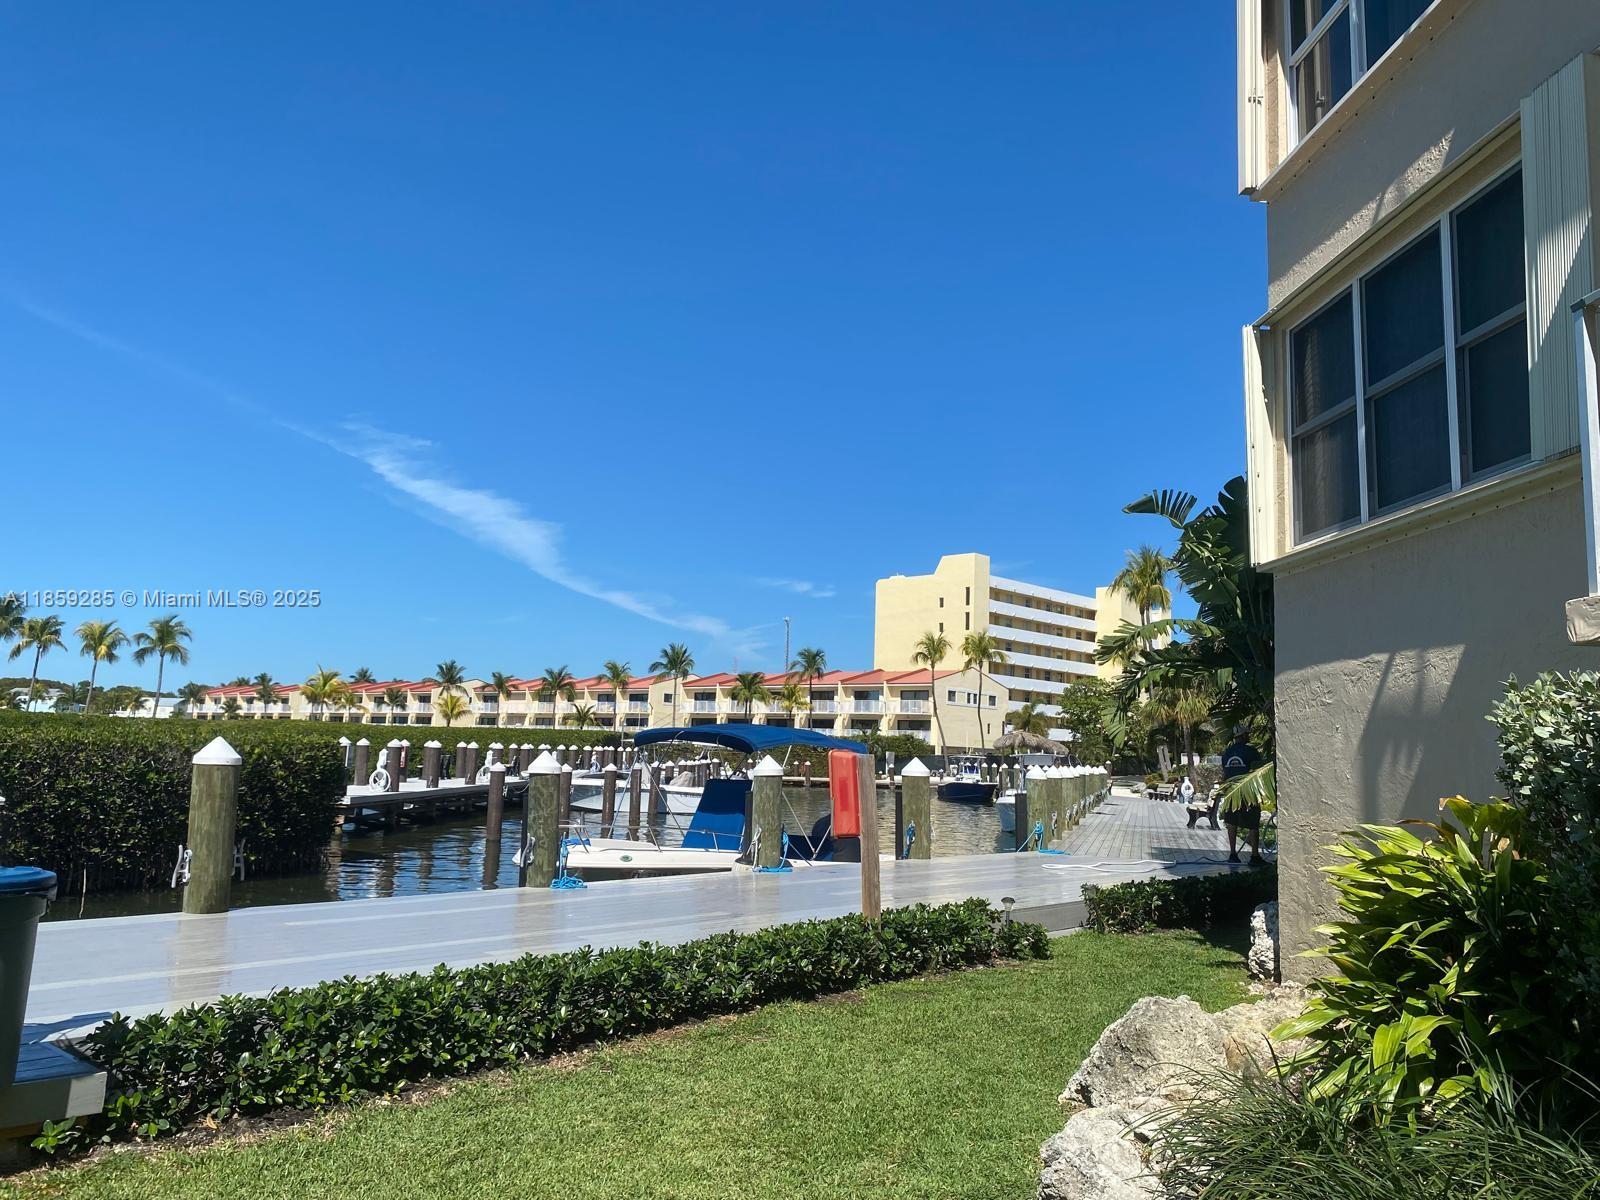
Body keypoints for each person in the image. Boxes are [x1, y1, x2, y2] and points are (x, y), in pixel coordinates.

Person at [1220, 728, 1265, 866]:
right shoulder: (1251, 751)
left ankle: (1233, 854)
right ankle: (1254, 856)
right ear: (1244, 735)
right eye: (1247, 734)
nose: (1249, 736)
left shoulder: (1227, 752)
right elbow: (1259, 770)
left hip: (1231, 792)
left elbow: (1225, 772)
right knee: (1253, 823)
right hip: (1248, 792)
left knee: (1231, 822)